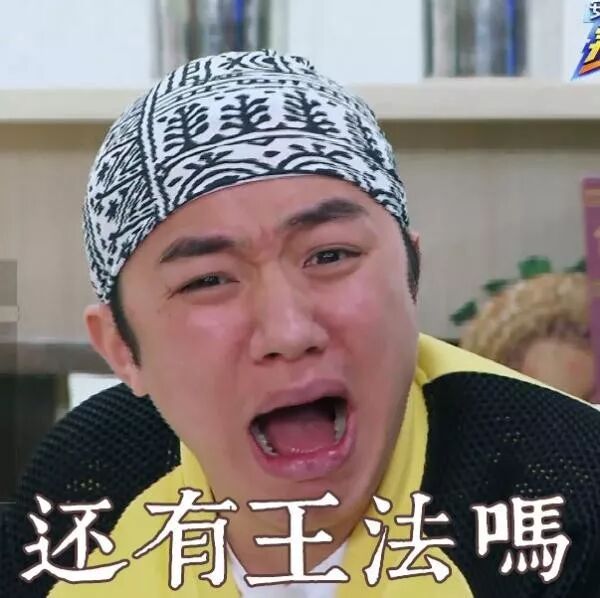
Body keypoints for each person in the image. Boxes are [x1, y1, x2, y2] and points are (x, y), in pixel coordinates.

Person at [3, 49, 600, 598]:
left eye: (331, 255)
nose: (288, 332)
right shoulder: (85, 492)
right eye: (207, 280)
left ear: (410, 276)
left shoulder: (569, 505)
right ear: (122, 350)